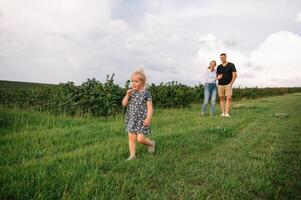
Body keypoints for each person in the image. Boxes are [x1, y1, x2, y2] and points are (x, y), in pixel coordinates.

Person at [122, 68, 156, 161]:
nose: (133, 83)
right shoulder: (131, 93)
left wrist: (148, 118)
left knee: (140, 139)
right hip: (131, 119)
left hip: (142, 119)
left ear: (143, 83)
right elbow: (124, 104)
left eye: (136, 81)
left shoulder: (146, 93)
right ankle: (132, 155)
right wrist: (127, 95)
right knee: (131, 138)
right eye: (132, 81)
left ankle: (151, 143)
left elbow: (150, 107)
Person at [216, 53, 237, 117]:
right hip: (220, 85)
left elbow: (235, 75)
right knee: (221, 99)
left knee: (229, 98)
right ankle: (223, 113)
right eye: (221, 58)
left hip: (228, 84)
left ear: (226, 57)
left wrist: (231, 83)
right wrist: (218, 77)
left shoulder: (231, 65)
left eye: (223, 57)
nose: (222, 58)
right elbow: (216, 76)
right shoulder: (219, 67)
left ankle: (227, 113)